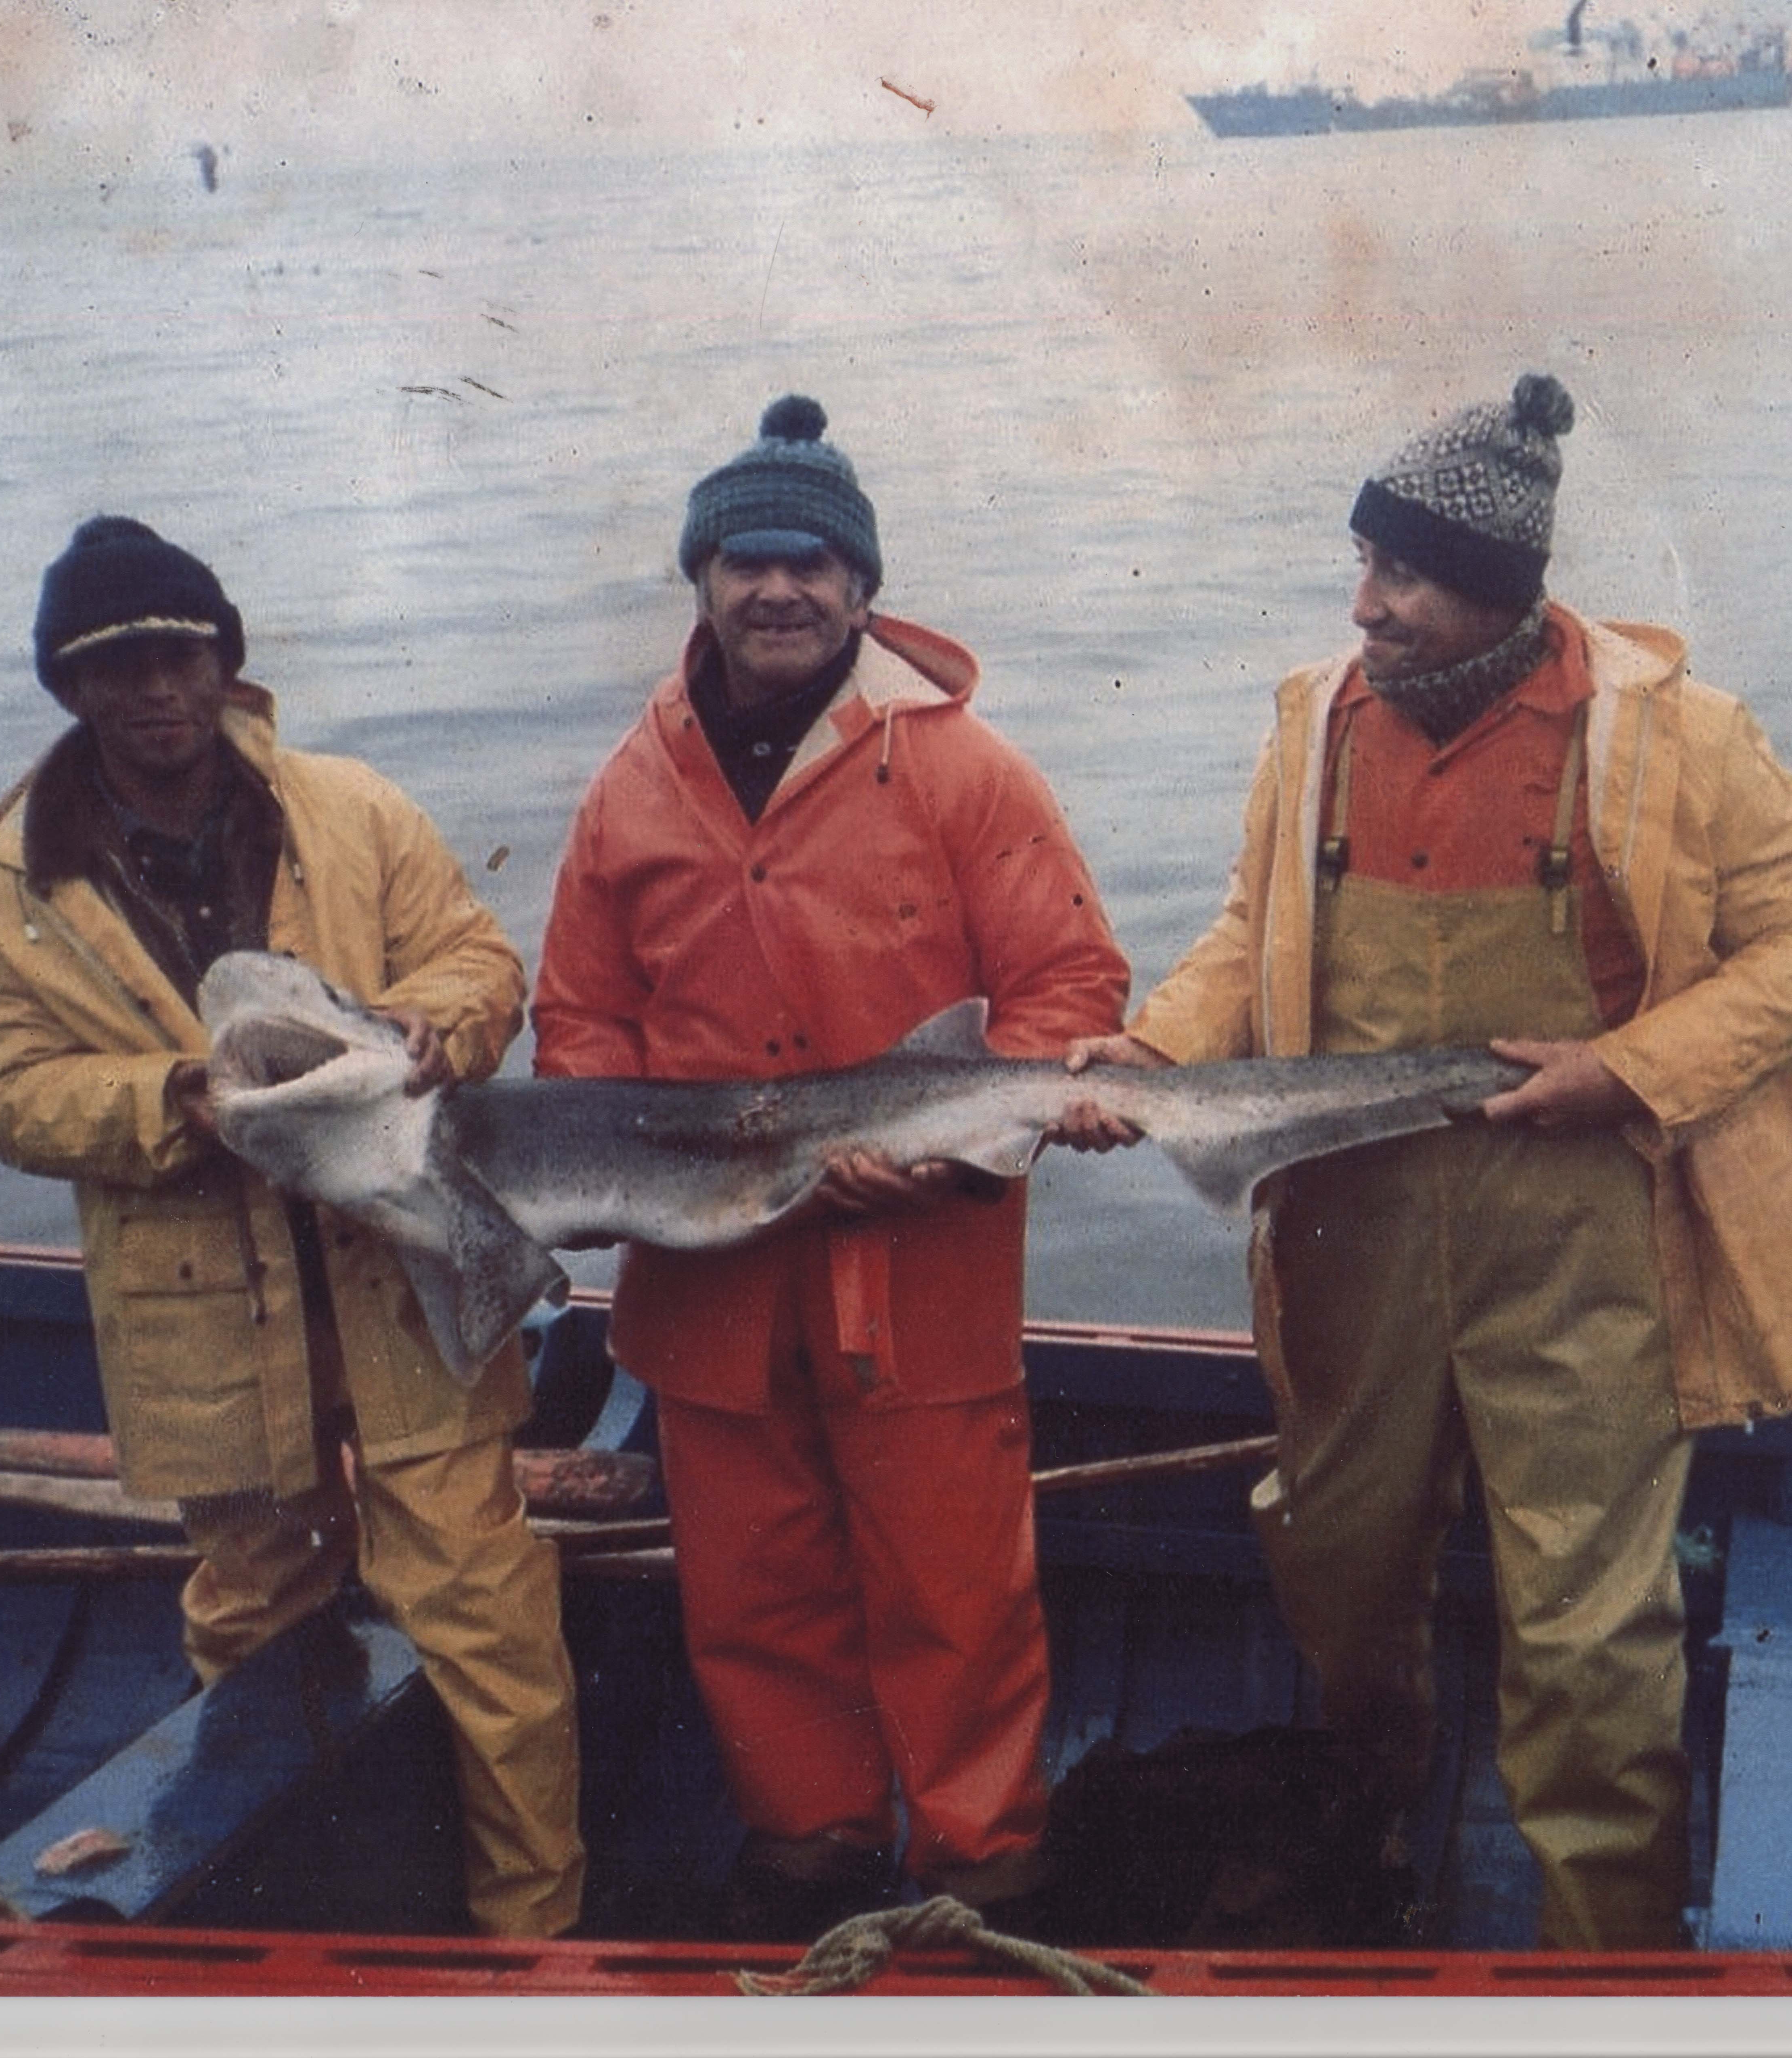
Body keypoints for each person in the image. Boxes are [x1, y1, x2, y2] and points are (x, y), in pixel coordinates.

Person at [1068, 374, 1792, 1949]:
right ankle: (1368, 1801)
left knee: (1589, 1620)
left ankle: (1606, 1957)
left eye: (1407, 579)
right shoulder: (1316, 720)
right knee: (1332, 1541)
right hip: (1350, 1217)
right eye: (1361, 567)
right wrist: (1162, 1051)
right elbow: (1255, 931)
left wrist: (1627, 1068)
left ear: (1503, 594)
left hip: (1586, 1224)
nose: (1365, 608)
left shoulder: (1677, 739)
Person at [532, 396, 1130, 1937]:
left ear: (864, 591)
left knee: (952, 1589)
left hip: (914, 1264)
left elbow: (1069, 992)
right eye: (746, 559)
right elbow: (581, 1017)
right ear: (703, 582)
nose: (778, 589)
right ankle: (809, 1854)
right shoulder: (631, 783)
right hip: (707, 1271)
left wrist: (944, 1160)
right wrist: (616, 1154)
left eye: (811, 562)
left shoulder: (964, 768)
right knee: (751, 1594)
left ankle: (984, 1869)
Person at [0, 516, 586, 1939]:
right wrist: (178, 1094)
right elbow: (6, 1097)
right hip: (200, 1315)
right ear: (66, 686)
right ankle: (282, 1947)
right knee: (254, 1621)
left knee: (485, 1615)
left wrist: (442, 1023)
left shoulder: (349, 807)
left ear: (225, 659)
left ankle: (537, 1949)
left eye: (178, 653)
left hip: (406, 1269)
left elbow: (478, 959)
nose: (154, 689)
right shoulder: (6, 885)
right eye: (114, 667)